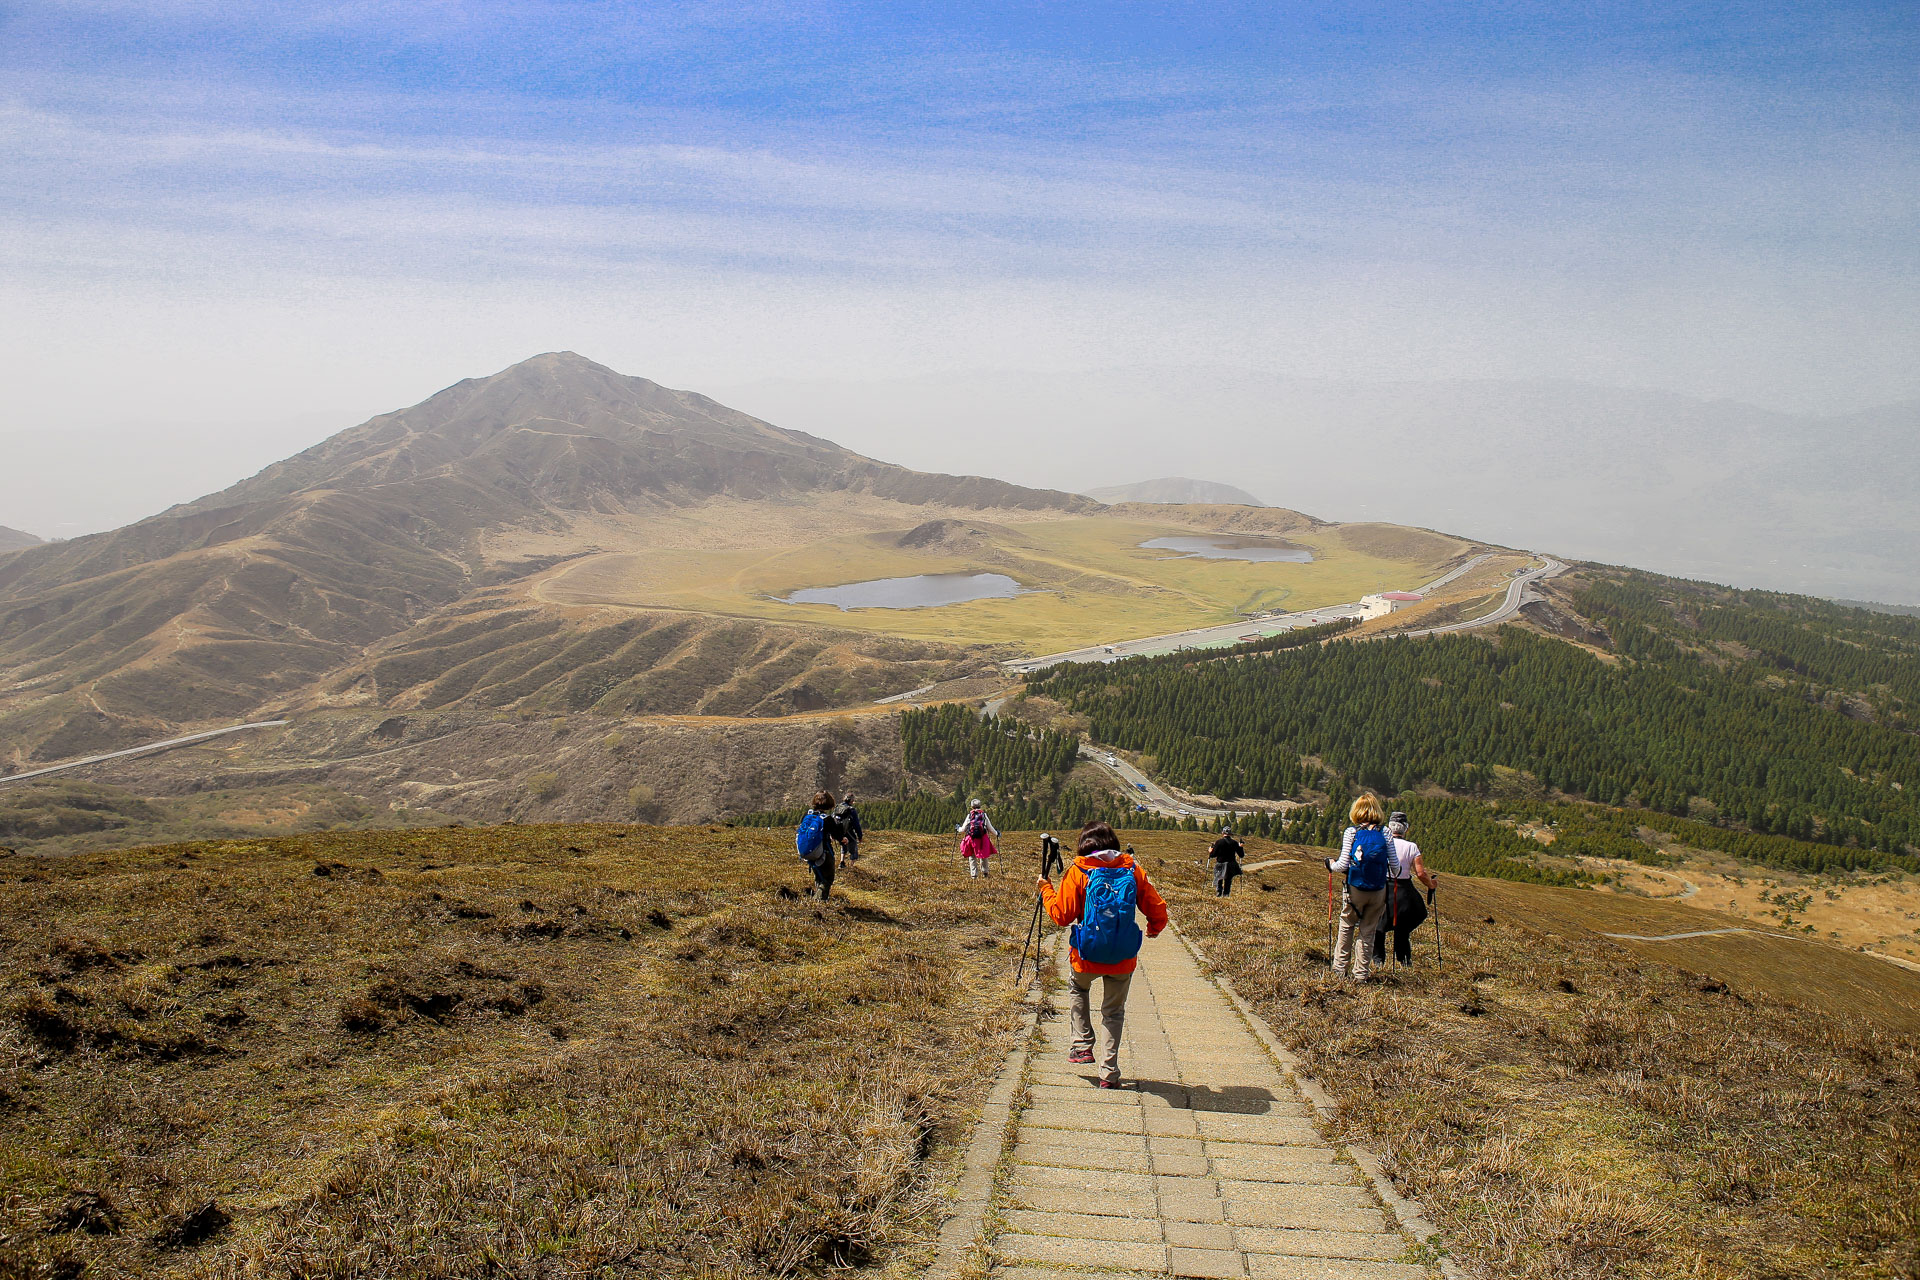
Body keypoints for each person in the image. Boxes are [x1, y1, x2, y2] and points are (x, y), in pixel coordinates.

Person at [1038, 822, 1170, 1087]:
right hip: (1123, 957)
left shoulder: (1079, 871)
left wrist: (1045, 889)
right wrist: (1155, 928)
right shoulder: (1132, 869)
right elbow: (1157, 908)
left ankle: (1082, 1044)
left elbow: (1062, 916)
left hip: (1087, 954)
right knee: (1113, 1012)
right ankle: (1109, 1074)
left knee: (1078, 989)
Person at [1326, 793, 1393, 981]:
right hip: (1378, 890)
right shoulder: (1385, 832)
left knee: (1347, 924)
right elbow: (1395, 867)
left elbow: (1341, 865)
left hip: (1355, 889)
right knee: (1368, 930)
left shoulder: (1352, 832)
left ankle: (1340, 969)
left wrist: (1330, 864)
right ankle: (1361, 974)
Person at [1371, 811, 1436, 966]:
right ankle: (1404, 959)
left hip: (1382, 886)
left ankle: (1378, 960)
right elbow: (1420, 873)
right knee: (1408, 920)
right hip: (1403, 889)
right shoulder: (1411, 847)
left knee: (1379, 923)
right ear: (1405, 828)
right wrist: (1431, 885)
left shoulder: (1381, 843)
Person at [800, 791, 846, 901]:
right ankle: (818, 902)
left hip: (809, 853)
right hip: (823, 852)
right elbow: (837, 835)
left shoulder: (807, 816)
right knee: (827, 879)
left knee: (819, 876)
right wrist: (844, 840)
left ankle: (818, 899)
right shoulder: (827, 819)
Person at [957, 800, 999, 878]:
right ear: (980, 806)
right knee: (984, 855)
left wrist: (958, 828)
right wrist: (997, 833)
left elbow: (963, 829)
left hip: (971, 839)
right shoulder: (983, 815)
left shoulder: (970, 815)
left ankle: (974, 875)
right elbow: (990, 828)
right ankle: (985, 872)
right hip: (982, 838)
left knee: (972, 856)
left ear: (971, 806)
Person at [1208, 825, 1245, 897]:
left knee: (1219, 878)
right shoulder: (1234, 843)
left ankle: (1219, 892)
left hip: (1220, 863)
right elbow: (1241, 855)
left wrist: (1210, 851)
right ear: (1230, 834)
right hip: (1231, 864)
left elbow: (1213, 855)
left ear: (1223, 833)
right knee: (1228, 880)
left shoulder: (1218, 842)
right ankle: (1226, 894)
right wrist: (1241, 847)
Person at [834, 792, 865, 867]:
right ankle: (851, 866)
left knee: (843, 844)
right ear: (851, 801)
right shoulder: (851, 810)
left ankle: (842, 862)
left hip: (839, 832)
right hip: (848, 831)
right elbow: (856, 824)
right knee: (853, 847)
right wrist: (860, 836)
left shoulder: (838, 807)